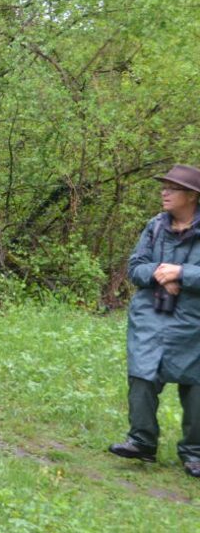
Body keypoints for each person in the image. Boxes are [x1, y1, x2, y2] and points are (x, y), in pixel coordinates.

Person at [109, 164, 200, 479]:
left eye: (172, 188)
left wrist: (183, 274)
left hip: (194, 322)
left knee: (196, 387)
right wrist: (161, 272)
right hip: (152, 315)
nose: (164, 192)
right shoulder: (155, 226)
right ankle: (141, 442)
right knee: (142, 376)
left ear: (191, 195)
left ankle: (195, 454)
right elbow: (135, 267)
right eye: (164, 186)